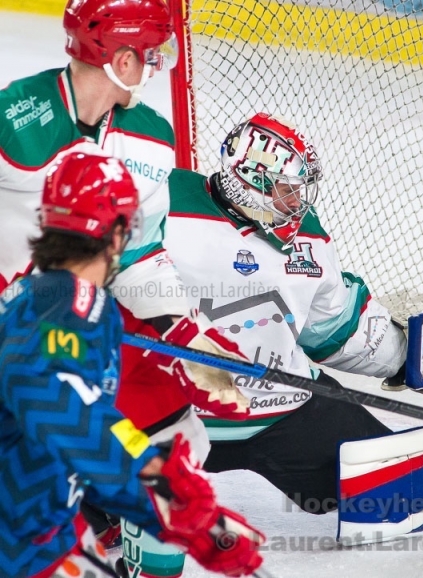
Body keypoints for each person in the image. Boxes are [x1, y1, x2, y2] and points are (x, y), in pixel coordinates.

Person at [0, 0, 251, 569]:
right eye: (150, 52)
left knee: (179, 443)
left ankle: (110, 527)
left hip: (83, 323)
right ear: (121, 57)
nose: (158, 62)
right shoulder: (17, 118)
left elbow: (137, 252)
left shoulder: (150, 139)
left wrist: (187, 334)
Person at [0, 152, 264, 578]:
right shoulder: (61, 308)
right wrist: (163, 491)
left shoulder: (73, 303)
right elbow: (61, 411)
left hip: (41, 534)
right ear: (118, 232)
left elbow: (95, 424)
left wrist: (183, 511)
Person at [162, 111, 406, 512]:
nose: (296, 201)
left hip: (280, 405)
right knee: (61, 498)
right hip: (161, 412)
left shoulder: (306, 234)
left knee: (399, 491)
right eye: (285, 189)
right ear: (250, 183)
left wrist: (407, 358)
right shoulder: (159, 199)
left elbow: (334, 326)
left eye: (299, 189)